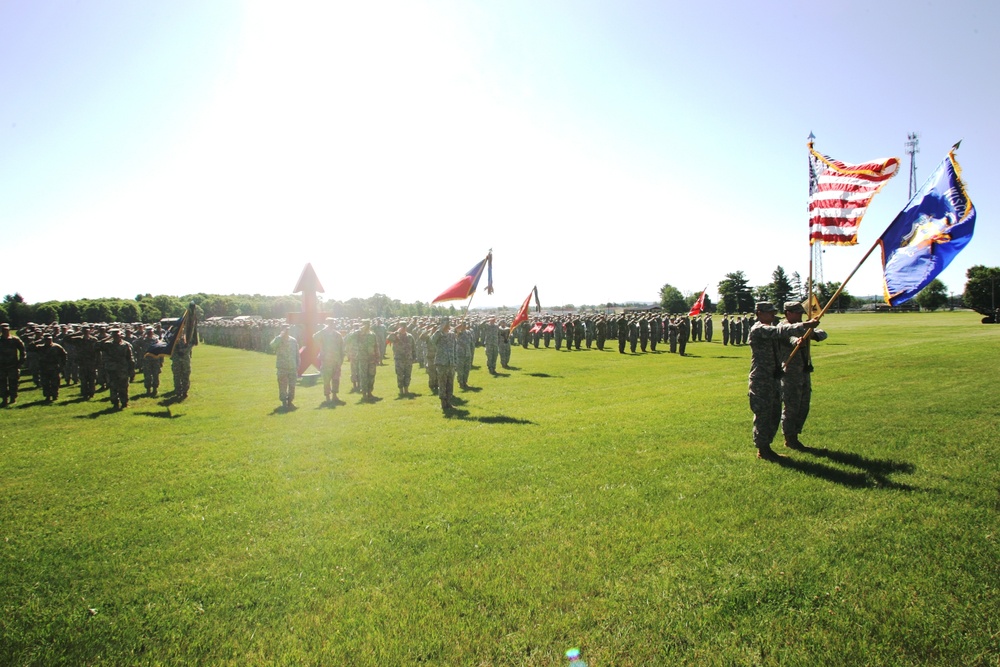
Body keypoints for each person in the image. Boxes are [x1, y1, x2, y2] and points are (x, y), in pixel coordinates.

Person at [748, 302, 818, 460]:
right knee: (763, 414)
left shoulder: (770, 328)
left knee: (774, 413)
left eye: (773, 312)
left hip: (774, 376)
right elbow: (780, 331)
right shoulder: (759, 329)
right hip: (761, 379)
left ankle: (768, 447)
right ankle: (763, 449)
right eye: (769, 312)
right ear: (759, 313)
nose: (773, 315)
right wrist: (805, 325)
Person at [780, 301, 828, 450]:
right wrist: (797, 341)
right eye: (796, 312)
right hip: (790, 374)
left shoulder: (804, 326)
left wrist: (811, 333)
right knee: (791, 406)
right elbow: (789, 338)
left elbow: (823, 334)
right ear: (788, 313)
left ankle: (795, 434)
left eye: (801, 313)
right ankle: (789, 438)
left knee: (803, 406)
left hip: (804, 371)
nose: (800, 315)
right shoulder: (782, 327)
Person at [314, 318, 345, 402]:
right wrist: (324, 330)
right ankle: (327, 397)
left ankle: (335, 395)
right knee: (326, 379)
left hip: (336, 360)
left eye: (332, 323)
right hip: (326, 360)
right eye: (329, 323)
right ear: (327, 323)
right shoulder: (323, 333)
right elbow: (314, 337)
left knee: (336, 379)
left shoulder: (337, 334)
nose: (331, 324)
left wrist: (341, 359)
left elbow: (342, 348)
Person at [102, 329, 133, 410]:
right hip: (112, 369)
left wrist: (131, 368)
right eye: (114, 335)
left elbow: (130, 357)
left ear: (121, 335)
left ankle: (124, 402)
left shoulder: (125, 345)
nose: (116, 337)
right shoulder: (107, 344)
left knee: (124, 386)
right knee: (113, 386)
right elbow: (96, 346)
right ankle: (115, 402)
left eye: (117, 335)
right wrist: (107, 338)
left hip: (123, 368)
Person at [269, 326, 299, 408]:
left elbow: (297, 354)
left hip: (292, 366)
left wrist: (297, 365)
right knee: (282, 385)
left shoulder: (293, 340)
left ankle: (290, 401)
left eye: (288, 330)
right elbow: (272, 346)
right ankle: (283, 401)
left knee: (292, 386)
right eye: (285, 330)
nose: (287, 332)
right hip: (282, 367)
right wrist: (280, 336)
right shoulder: (278, 340)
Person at [431, 317, 457, 411]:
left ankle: (449, 402)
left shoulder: (451, 334)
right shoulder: (438, 334)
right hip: (442, 363)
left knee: (450, 384)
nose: (447, 325)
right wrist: (440, 329)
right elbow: (432, 340)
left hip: (451, 363)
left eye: (448, 323)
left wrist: (455, 362)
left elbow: (454, 347)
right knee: (442, 383)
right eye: (445, 323)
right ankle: (443, 403)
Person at [0, 323, 27, 407]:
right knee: (2, 383)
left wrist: (20, 362)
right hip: (1, 366)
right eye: (3, 330)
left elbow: (23, 351)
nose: (5, 332)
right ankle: (4, 399)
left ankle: (13, 398)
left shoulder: (15, 340)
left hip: (13, 365)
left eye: (6, 330)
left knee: (13, 382)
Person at [387, 321, 416, 397]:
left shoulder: (410, 336)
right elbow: (388, 339)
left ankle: (406, 389)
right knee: (399, 374)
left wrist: (414, 357)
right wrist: (396, 332)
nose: (403, 328)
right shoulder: (395, 336)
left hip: (408, 359)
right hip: (399, 359)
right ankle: (401, 390)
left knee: (407, 375)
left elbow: (413, 347)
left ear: (406, 327)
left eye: (404, 327)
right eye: (401, 326)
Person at [37, 334, 68, 402]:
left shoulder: (56, 347)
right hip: (44, 368)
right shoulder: (40, 347)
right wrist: (37, 341)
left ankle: (55, 395)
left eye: (49, 339)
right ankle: (47, 396)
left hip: (54, 367)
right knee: (45, 383)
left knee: (55, 383)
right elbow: (29, 348)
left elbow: (64, 355)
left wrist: (62, 365)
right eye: (46, 340)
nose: (48, 341)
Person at [171, 331, 193, 400]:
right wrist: (176, 347)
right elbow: (170, 349)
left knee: (185, 376)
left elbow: (190, 347)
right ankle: (178, 391)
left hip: (185, 361)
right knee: (177, 376)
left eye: (182, 332)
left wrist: (182, 350)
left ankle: (185, 391)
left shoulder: (187, 339)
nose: (181, 333)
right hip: (176, 361)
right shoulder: (172, 340)